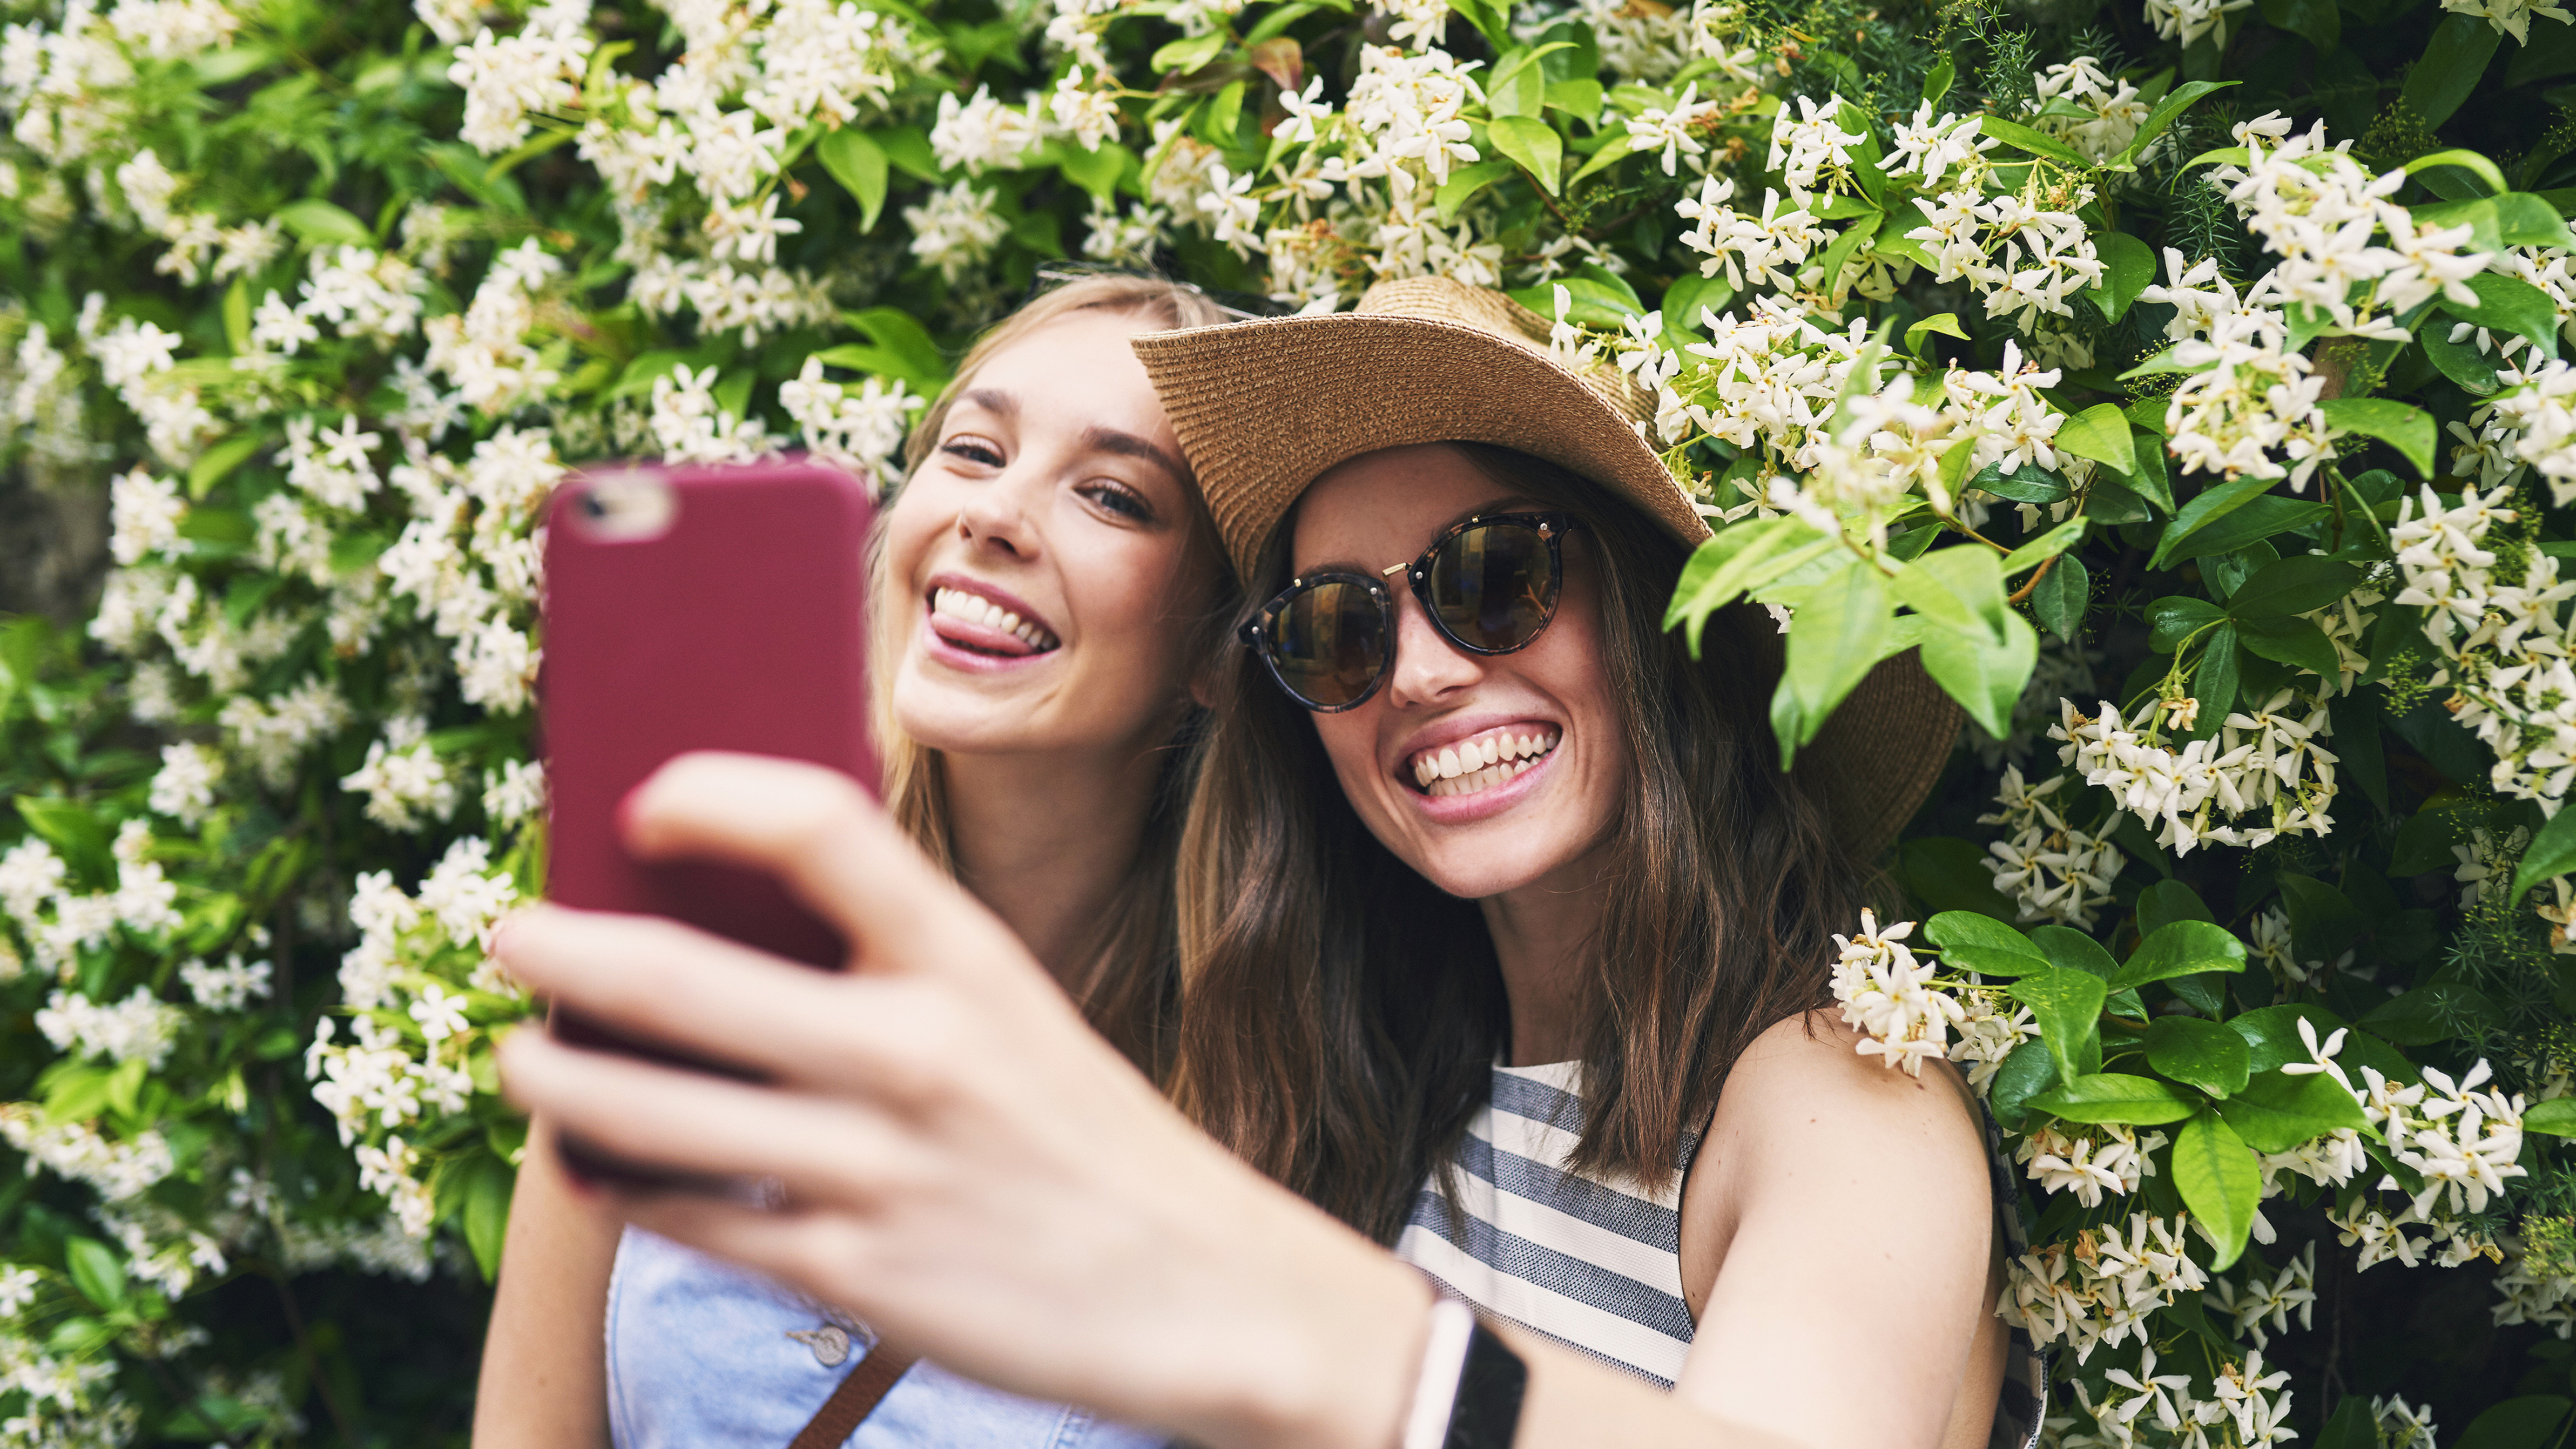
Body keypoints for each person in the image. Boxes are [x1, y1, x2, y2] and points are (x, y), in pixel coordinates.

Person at [493, 279, 2044, 1449]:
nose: (1422, 671)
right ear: (1275, 690)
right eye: (1337, 626)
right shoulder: (1377, 1070)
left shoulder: (1833, 1095)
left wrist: (1296, 1318)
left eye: (1497, 578)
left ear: (1649, 608)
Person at [471, 271, 1232, 1447]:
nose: (995, 513)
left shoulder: (1263, 1094)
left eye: (1113, 495)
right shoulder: (691, 969)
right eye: (975, 451)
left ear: (1218, 644)